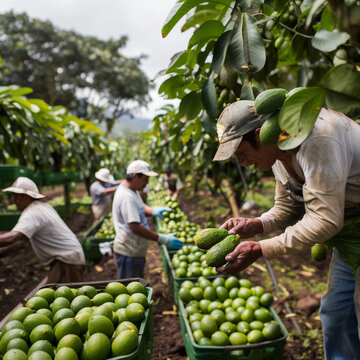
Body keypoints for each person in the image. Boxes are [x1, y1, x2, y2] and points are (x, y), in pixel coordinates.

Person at [212, 100, 360, 359]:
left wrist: (261, 248)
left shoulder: (317, 140)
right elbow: (287, 206)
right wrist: (257, 224)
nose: (242, 161)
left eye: (240, 151)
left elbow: (325, 220)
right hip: (350, 237)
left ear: (260, 134)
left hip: (346, 225)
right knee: (336, 313)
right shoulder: (278, 154)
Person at [0, 177, 86, 283]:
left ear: (25, 196)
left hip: (67, 260)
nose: (14, 201)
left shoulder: (32, 213)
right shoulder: (43, 207)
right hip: (67, 257)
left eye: (16, 197)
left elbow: (13, 237)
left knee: (64, 296)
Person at [112, 160, 183, 279]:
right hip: (129, 253)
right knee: (131, 290)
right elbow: (134, 226)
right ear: (135, 176)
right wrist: (161, 238)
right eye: (145, 179)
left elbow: (141, 207)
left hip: (134, 250)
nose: (147, 184)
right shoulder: (127, 196)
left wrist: (154, 211)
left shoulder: (132, 191)